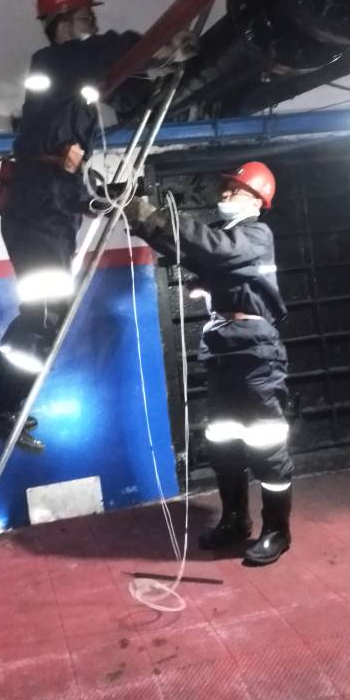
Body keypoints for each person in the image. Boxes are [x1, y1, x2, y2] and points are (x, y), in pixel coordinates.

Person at [0, 0, 195, 447]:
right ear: (61, 20)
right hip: (35, 214)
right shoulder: (52, 65)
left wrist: (92, 200)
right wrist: (161, 47)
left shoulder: (75, 90)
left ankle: (8, 406)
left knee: (48, 317)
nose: (93, 24)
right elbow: (105, 53)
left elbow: (70, 162)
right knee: (43, 315)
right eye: (85, 17)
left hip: (50, 215)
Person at [124, 161, 293, 565]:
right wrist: (141, 220)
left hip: (255, 352)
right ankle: (235, 520)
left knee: (266, 445)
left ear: (256, 199)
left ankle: (277, 530)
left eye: (234, 190)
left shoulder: (255, 234)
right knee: (224, 442)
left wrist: (153, 216)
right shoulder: (229, 238)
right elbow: (187, 249)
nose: (225, 195)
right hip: (221, 348)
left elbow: (213, 249)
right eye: (225, 189)